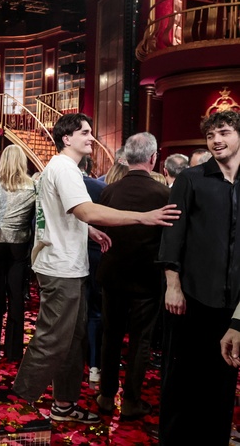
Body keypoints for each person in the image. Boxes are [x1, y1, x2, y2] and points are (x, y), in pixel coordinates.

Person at [11, 113, 179, 424]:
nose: (92, 137)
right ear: (67, 139)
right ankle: (18, 409)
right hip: (60, 267)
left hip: (66, 265)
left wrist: (87, 230)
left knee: (72, 340)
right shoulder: (65, 168)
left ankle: (63, 405)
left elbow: (63, 212)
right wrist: (143, 217)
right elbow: (86, 210)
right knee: (52, 339)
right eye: (85, 132)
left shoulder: (61, 167)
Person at [159, 110, 240, 445]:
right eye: (210, 135)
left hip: (233, 304)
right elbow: (172, 236)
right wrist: (173, 286)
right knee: (182, 381)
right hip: (191, 297)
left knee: (224, 382)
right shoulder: (191, 179)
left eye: (223, 132)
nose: (216, 140)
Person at [94, 132, 170, 420]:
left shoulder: (109, 191)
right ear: (153, 158)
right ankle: (131, 401)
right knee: (141, 341)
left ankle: (105, 396)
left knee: (111, 337)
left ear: (127, 158)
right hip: (146, 278)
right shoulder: (164, 194)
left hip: (113, 274)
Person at [0, 144, 35, 362]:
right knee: (16, 296)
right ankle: (14, 351)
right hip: (19, 245)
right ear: (23, 162)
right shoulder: (33, 187)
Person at [78, 154, 107, 384]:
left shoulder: (52, 185)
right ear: (88, 166)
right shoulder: (101, 188)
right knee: (95, 311)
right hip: (96, 253)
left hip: (69, 255)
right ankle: (94, 364)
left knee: (73, 310)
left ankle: (72, 364)